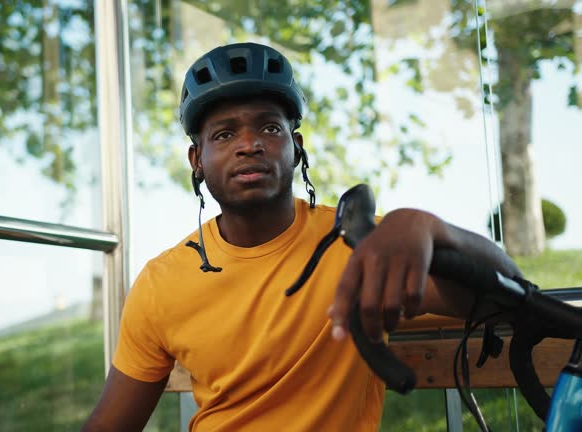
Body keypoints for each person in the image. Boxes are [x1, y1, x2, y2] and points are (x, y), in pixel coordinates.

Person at [82, 42, 521, 431]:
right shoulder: (161, 284)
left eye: (269, 129)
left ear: (297, 148)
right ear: (197, 159)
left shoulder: (361, 245)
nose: (249, 144)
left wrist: (432, 227)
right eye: (225, 133)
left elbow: (511, 295)